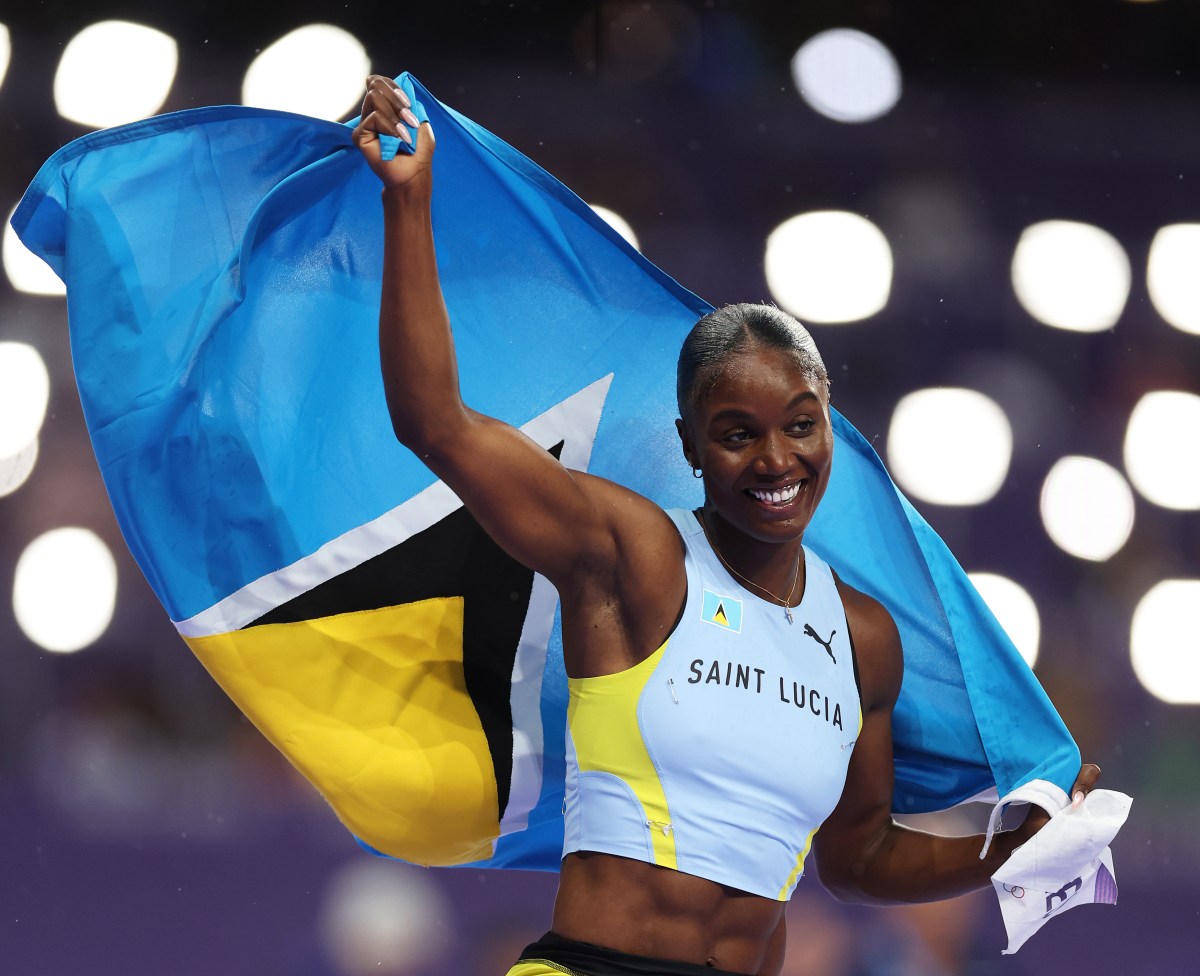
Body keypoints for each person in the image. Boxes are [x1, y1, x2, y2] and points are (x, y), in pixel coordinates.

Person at [350, 75, 1100, 976]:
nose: (776, 460)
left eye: (799, 425)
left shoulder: (864, 639)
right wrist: (409, 202)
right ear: (691, 447)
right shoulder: (631, 556)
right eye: (737, 435)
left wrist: (1015, 846)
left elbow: (858, 863)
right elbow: (435, 421)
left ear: (830, 421)